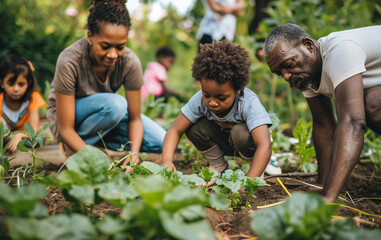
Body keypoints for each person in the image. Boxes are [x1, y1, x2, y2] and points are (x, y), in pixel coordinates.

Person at [263, 23, 381, 202]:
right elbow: (324, 125)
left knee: (372, 103)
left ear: (308, 45)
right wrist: (322, 185)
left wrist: (328, 197)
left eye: (287, 64)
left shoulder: (340, 50)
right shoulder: (307, 72)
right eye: (280, 73)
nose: (286, 76)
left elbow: (353, 123)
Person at [46, 0, 166, 170]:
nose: (112, 54)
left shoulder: (130, 62)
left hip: (106, 115)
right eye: (105, 46)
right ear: (90, 37)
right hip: (69, 117)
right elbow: (65, 128)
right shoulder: (69, 60)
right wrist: (92, 158)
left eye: (120, 47)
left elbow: (135, 118)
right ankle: (73, 147)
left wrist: (134, 154)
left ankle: (88, 145)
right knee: (116, 104)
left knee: (162, 140)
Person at [161, 40, 272, 182]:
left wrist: (249, 182)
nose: (212, 102)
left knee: (240, 134)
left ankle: (257, 167)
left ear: (237, 90)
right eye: (206, 95)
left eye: (221, 97)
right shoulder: (199, 100)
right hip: (224, 143)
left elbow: (264, 145)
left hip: (250, 146)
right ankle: (219, 167)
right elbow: (175, 130)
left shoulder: (248, 103)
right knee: (192, 127)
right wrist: (167, 160)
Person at [0, 55, 46, 152]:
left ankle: (13, 143)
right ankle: (9, 142)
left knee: (41, 138)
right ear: (2, 83)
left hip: (25, 136)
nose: (16, 89)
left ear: (28, 83)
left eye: (21, 84)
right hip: (4, 135)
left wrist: (20, 135)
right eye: (11, 84)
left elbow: (34, 129)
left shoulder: (33, 98)